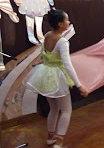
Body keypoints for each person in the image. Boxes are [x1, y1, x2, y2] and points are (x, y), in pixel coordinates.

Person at [23, 9, 88, 148]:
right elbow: (68, 65)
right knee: (66, 110)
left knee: (54, 108)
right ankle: (58, 142)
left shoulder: (47, 35)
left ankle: (50, 137)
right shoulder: (62, 41)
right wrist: (79, 85)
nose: (69, 22)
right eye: (67, 20)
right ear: (60, 24)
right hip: (57, 77)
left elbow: (45, 55)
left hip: (45, 75)